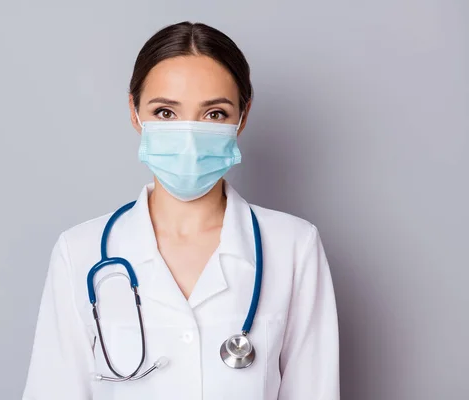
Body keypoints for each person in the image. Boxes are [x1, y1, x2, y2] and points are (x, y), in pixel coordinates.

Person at [22, 21, 339, 400]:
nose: (188, 137)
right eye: (166, 113)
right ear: (134, 112)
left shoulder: (293, 246)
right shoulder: (80, 252)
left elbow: (314, 390)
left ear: (243, 115)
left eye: (214, 114)